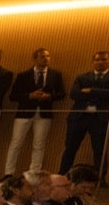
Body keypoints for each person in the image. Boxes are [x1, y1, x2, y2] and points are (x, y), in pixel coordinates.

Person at [58, 50, 109, 178]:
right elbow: (74, 94)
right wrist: (100, 93)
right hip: (79, 117)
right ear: (93, 61)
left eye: (104, 59)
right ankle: (63, 174)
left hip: (100, 118)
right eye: (97, 59)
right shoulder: (82, 77)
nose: (100, 62)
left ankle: (100, 178)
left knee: (100, 149)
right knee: (70, 147)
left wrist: (90, 90)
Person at [5, 48, 65, 176]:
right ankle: (8, 173)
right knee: (16, 143)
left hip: (44, 113)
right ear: (35, 59)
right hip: (24, 112)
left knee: (39, 144)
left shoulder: (56, 74)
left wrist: (48, 96)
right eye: (42, 56)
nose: (46, 59)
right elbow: (13, 96)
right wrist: (29, 96)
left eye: (48, 56)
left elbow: (62, 94)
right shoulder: (23, 75)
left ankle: (34, 173)